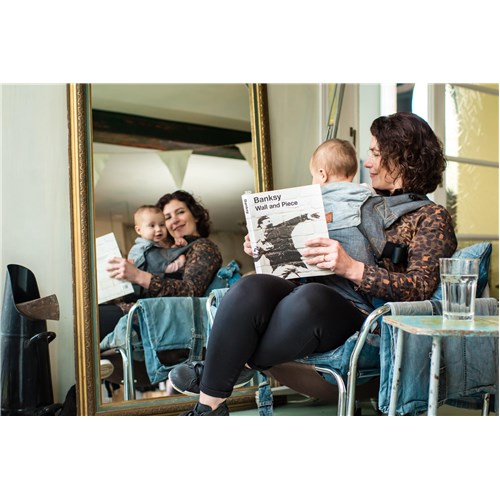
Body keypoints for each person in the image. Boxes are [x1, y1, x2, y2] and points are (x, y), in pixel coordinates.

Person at [171, 111, 458, 416]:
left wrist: (351, 267)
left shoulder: (431, 216)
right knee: (250, 286)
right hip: (308, 293)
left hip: (366, 317)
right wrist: (269, 247)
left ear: (403, 158)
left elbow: (420, 288)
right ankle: (208, 408)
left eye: (376, 154)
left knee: (311, 298)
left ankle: (224, 366)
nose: (367, 163)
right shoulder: (355, 200)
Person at [99, 190, 223, 340]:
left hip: (158, 319)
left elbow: (191, 291)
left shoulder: (203, 246)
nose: (174, 220)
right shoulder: (160, 250)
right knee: (88, 310)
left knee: (91, 318)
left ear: (195, 215)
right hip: (139, 310)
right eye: (168, 217)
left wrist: (138, 275)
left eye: (180, 212)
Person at [128, 205, 189, 291]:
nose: (158, 229)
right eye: (152, 225)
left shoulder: (155, 246)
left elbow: (164, 256)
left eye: (162, 225)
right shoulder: (145, 249)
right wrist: (179, 262)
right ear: (139, 230)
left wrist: (176, 247)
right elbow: (162, 266)